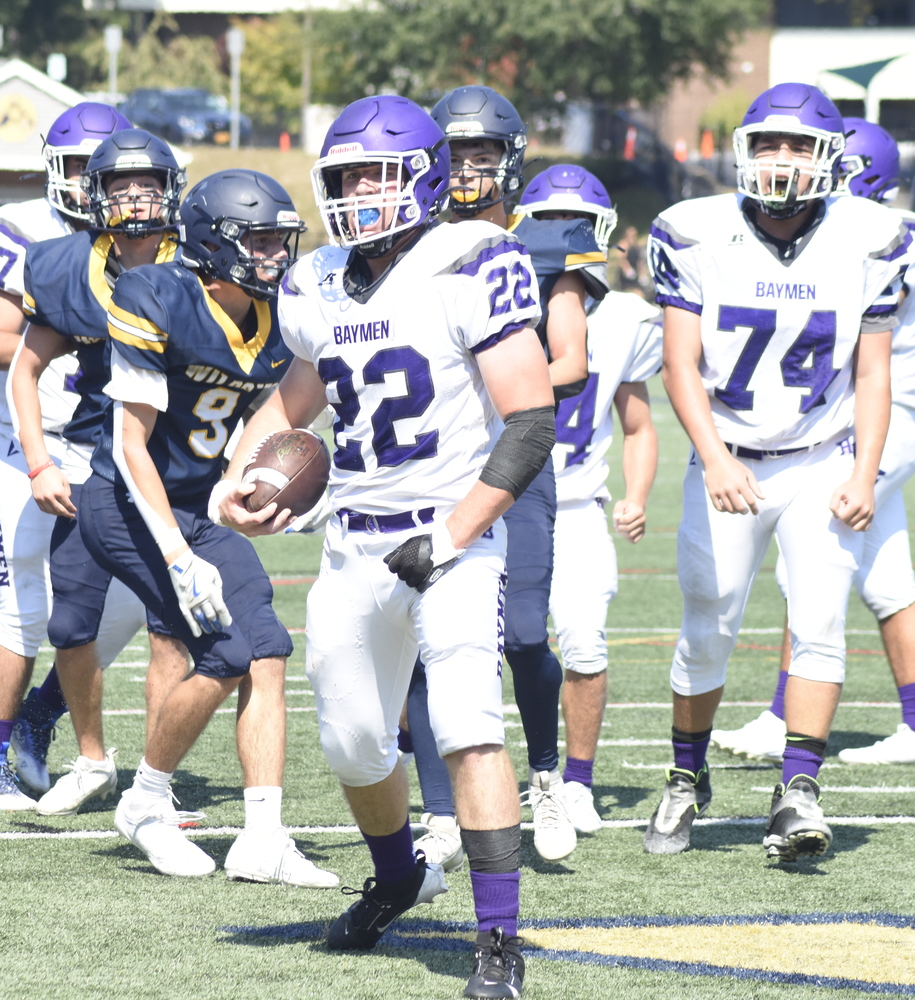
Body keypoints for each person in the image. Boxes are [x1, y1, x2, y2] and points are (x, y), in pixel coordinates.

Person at [219, 94, 555, 1000]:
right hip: (351, 545)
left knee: (468, 726)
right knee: (355, 744)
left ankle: (499, 941)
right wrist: (238, 470)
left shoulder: (473, 257)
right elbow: (299, 390)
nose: (360, 190)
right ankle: (399, 877)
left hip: (452, 536)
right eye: (345, 176)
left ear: (428, 176)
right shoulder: (316, 279)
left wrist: (450, 536)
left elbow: (529, 422)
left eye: (377, 172)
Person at [644, 83, 909, 861]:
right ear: (743, 150)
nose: (781, 160)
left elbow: (872, 374)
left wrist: (866, 471)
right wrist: (717, 456)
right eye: (767, 144)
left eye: (798, 146)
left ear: (830, 158)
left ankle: (799, 787)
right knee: (709, 626)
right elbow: (679, 363)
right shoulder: (692, 232)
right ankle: (686, 777)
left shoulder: (873, 237)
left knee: (822, 620)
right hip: (728, 456)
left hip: (821, 455)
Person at [69, 134, 337, 888]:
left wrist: (255, 492)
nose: (273, 257)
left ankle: (262, 837)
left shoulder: (278, 315)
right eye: (257, 241)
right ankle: (146, 802)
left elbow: (286, 418)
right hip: (127, 505)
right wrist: (180, 558)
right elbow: (128, 447)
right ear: (214, 247)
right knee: (224, 650)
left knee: (269, 650)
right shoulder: (154, 294)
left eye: (280, 241)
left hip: (199, 506)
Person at [400, 84, 605, 869]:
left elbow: (572, 361)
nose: (464, 171)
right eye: (452, 155)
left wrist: (492, 380)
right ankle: (443, 816)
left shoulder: (547, 241)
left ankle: (545, 776)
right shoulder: (406, 241)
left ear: (509, 159)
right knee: (430, 645)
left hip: (513, 464)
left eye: (479, 155)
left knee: (522, 634)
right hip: (428, 470)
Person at [711, 118, 915, 766]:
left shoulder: (890, 237)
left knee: (807, 560)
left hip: (879, 422)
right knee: (888, 579)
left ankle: (785, 715)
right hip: (872, 419)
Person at [0, 102, 145, 808]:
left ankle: (39, 715)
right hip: (22, 442)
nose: (87, 181)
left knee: (133, 598)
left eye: (101, 168)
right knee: (26, 605)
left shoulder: (150, 237)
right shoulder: (20, 228)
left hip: (105, 444)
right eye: (74, 166)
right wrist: (94, 335)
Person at [514, 164, 662, 832]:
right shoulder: (500, 299)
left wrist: (637, 494)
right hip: (499, 498)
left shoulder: (625, 316)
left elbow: (638, 424)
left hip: (575, 504)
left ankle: (575, 782)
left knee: (583, 642)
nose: (560, 238)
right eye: (547, 224)